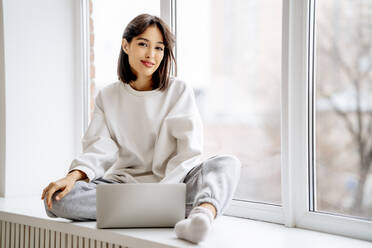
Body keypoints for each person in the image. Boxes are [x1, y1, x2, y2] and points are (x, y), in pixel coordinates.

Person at [41, 13, 241, 244]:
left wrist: (162, 192)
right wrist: (73, 176)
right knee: (58, 198)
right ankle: (172, 212)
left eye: (159, 48)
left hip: (173, 184)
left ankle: (201, 217)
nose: (151, 55)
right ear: (126, 45)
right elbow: (99, 148)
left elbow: (188, 153)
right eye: (143, 44)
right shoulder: (108, 96)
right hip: (123, 186)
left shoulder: (178, 91)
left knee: (227, 163)